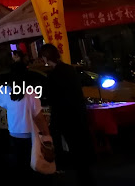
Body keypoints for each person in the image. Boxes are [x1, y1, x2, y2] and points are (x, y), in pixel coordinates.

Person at [40, 43, 95, 185]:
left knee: (74, 146)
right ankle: (86, 175)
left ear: (46, 58)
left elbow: (51, 98)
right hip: (78, 113)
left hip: (65, 116)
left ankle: (81, 176)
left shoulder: (53, 75)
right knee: (80, 146)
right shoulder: (70, 70)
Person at [0, 61, 54, 184]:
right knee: (32, 166)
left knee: (18, 167)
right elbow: (39, 118)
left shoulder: (5, 91)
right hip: (30, 136)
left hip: (13, 134)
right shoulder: (31, 93)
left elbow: (1, 103)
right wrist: (47, 135)